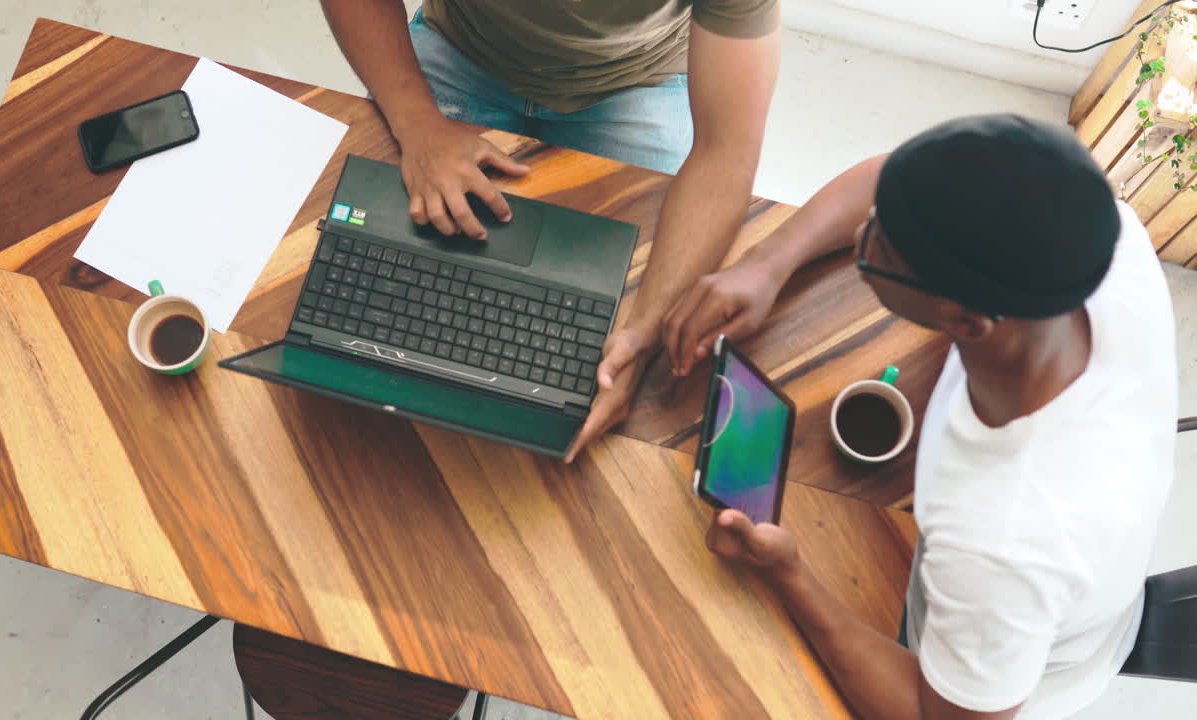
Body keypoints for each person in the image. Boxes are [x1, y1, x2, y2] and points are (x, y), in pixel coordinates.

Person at [688, 115, 1177, 719]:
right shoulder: (1097, 238)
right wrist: (767, 261)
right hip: (1044, 595)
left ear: (968, 322)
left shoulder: (1003, 539)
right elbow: (892, 185)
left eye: (878, 248)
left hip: (975, 670)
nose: (863, 227)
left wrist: (789, 575)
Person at [320, 1, 782, 459]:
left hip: (639, 79)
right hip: (461, 47)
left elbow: (727, 151)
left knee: (615, 324)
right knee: (370, 287)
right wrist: (417, 123)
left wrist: (644, 335)